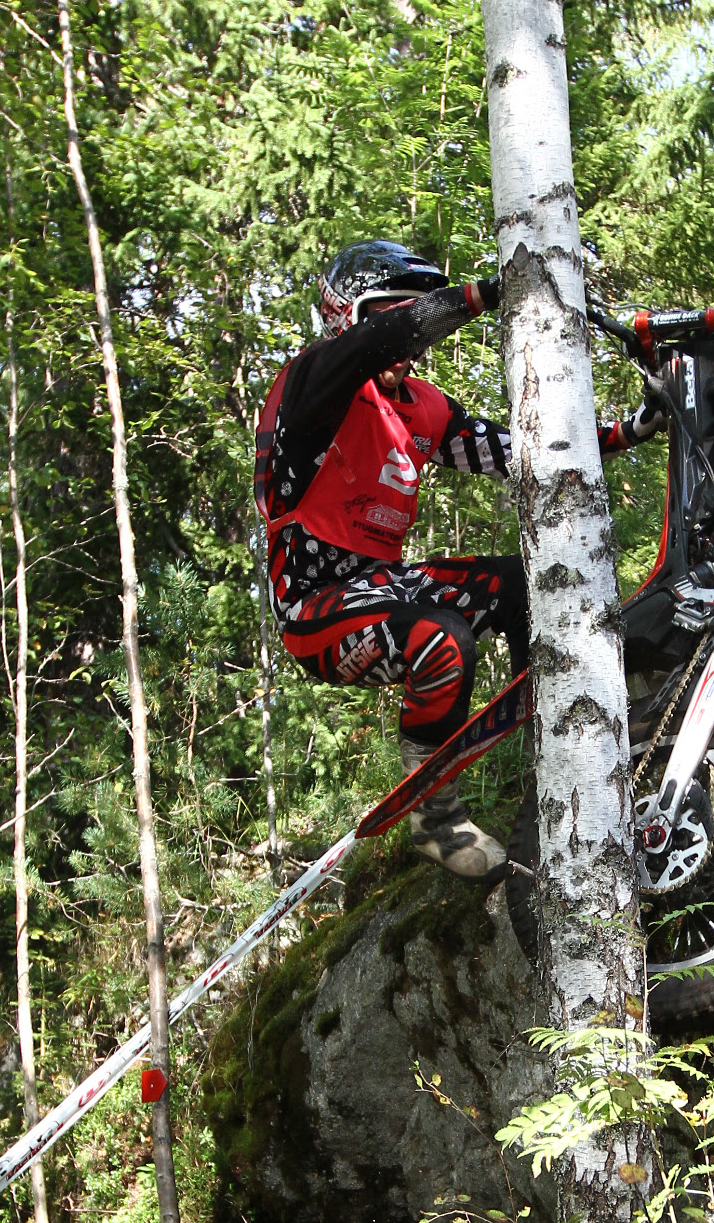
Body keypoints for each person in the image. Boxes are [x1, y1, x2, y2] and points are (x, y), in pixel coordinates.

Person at [254, 240, 659, 879]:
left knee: (528, 586)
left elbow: (519, 451)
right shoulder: (311, 384)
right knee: (443, 640)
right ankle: (436, 819)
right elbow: (370, 344)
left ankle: (565, 755)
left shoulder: (423, 406)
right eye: (395, 314)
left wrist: (629, 430)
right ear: (346, 313)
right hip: (313, 608)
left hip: (384, 584)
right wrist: (488, 292)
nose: (409, 346)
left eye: (413, 320)